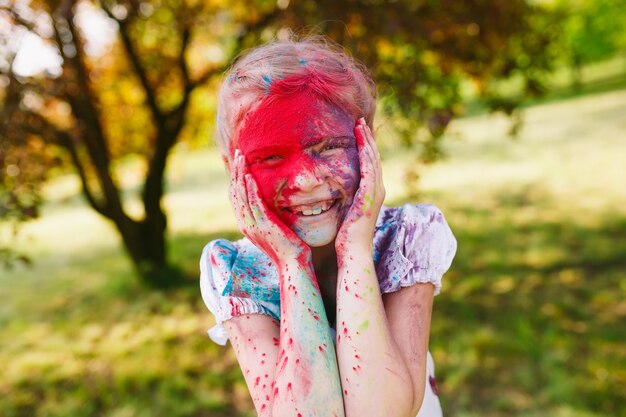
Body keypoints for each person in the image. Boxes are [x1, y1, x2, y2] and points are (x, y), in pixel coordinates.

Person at [199, 36, 457, 417]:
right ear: (232, 170)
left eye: (329, 146)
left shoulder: (407, 238)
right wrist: (292, 264)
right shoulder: (234, 272)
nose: (305, 180)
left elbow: (381, 412)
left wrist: (354, 249)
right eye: (270, 156)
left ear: (367, 141)